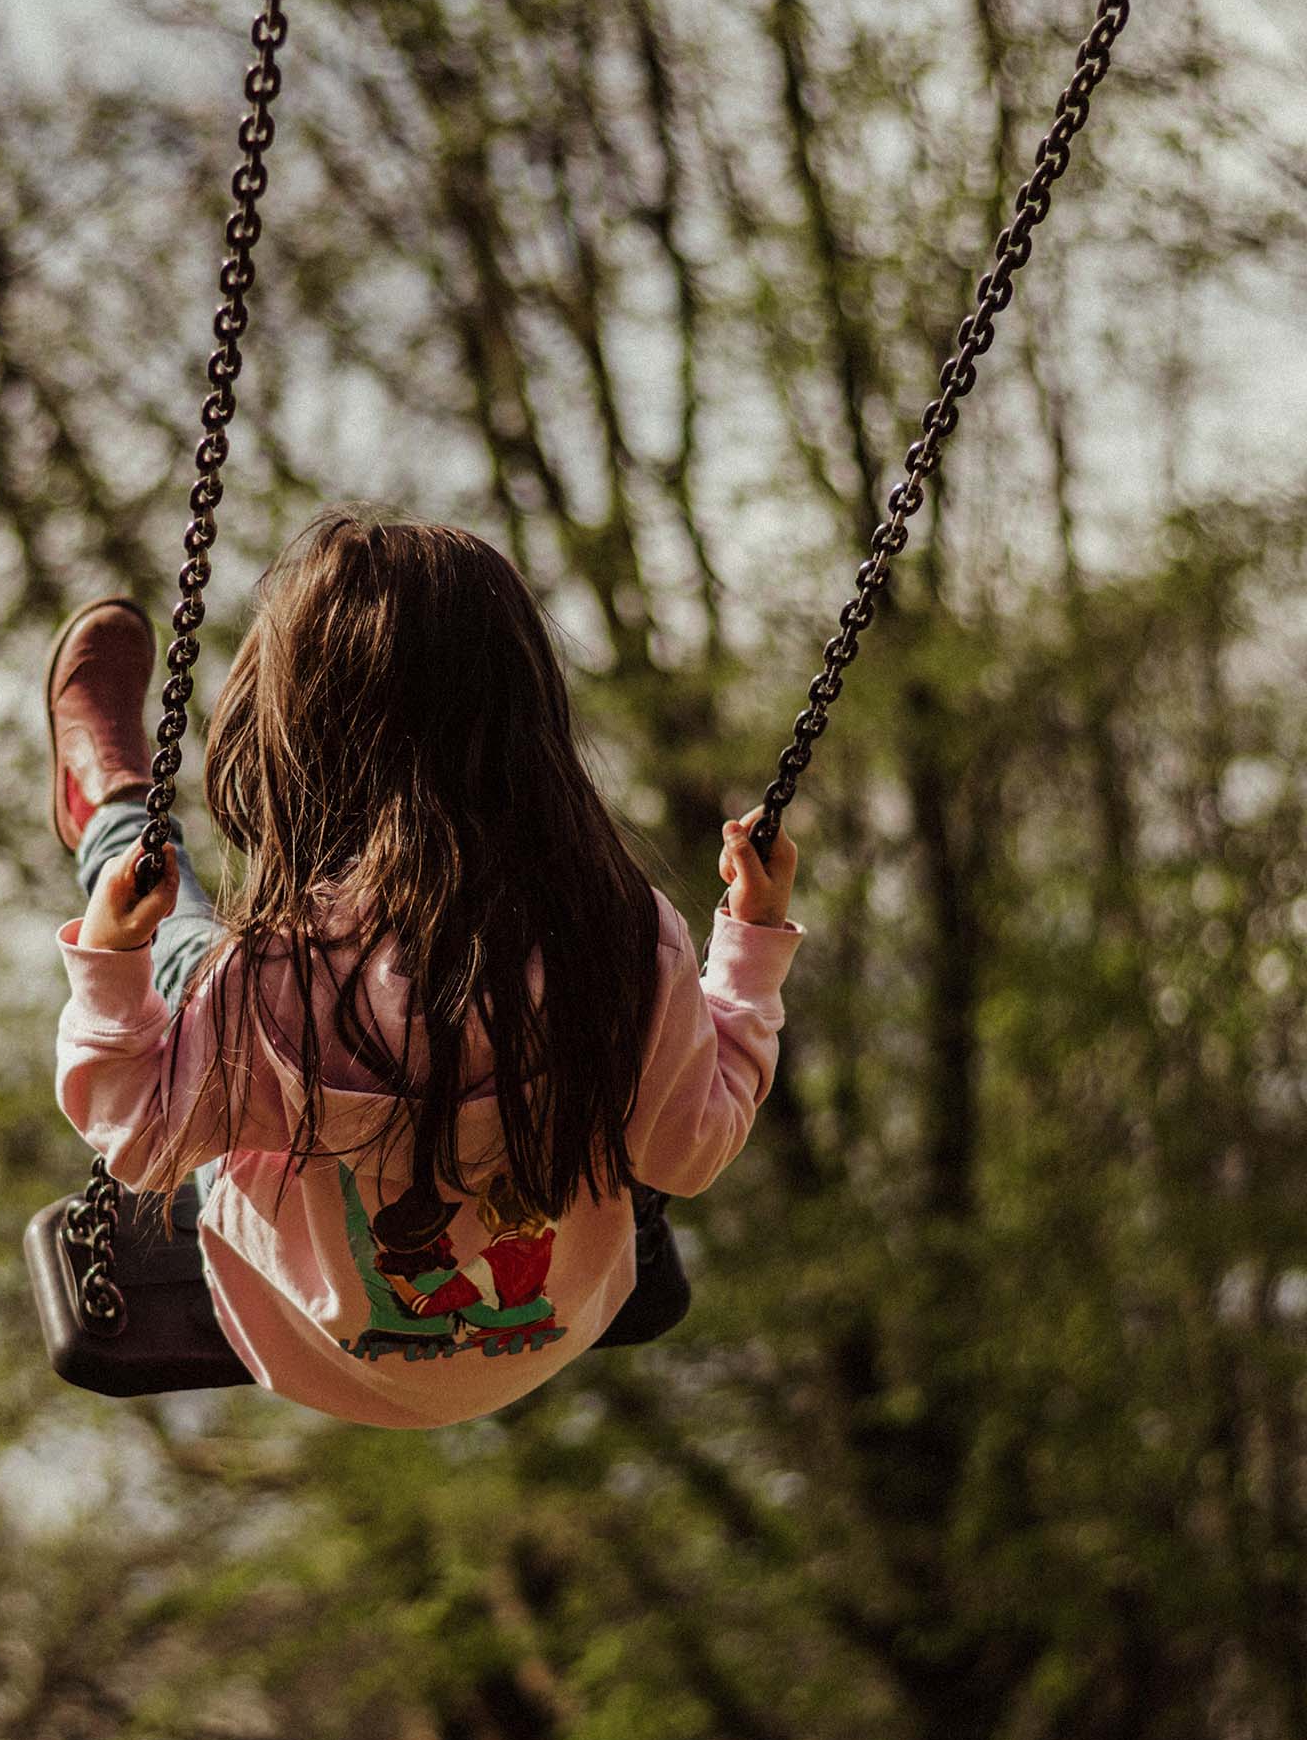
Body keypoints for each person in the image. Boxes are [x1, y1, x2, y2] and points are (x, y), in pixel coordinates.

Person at [47, 509, 800, 1427]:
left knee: (177, 941)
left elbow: (137, 1135)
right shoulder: (624, 941)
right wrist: (750, 945)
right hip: (545, 1336)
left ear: (300, 733)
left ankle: (112, 806)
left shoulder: (272, 975)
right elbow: (689, 1148)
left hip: (299, 1338)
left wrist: (115, 954)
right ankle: (113, 812)